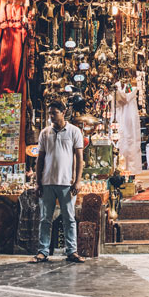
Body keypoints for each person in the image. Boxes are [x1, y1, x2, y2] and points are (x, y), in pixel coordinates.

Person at [32, 105, 86, 264]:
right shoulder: (45, 133)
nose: (51, 117)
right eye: (49, 114)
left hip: (67, 183)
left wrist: (77, 181)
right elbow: (40, 159)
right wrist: (38, 182)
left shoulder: (74, 131)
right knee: (45, 219)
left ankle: (72, 250)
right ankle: (43, 251)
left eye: (54, 113)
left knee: (69, 218)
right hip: (47, 182)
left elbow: (79, 159)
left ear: (63, 113)